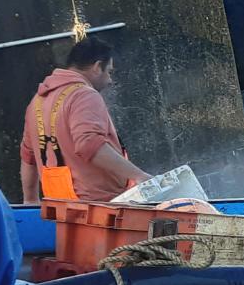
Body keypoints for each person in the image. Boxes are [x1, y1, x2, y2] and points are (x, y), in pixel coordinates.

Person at [19, 36, 149, 203]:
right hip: (99, 207)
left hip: (61, 208)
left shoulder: (37, 102)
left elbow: (28, 157)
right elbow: (89, 144)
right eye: (109, 72)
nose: (110, 81)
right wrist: (139, 176)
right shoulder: (84, 94)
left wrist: (30, 201)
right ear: (97, 67)